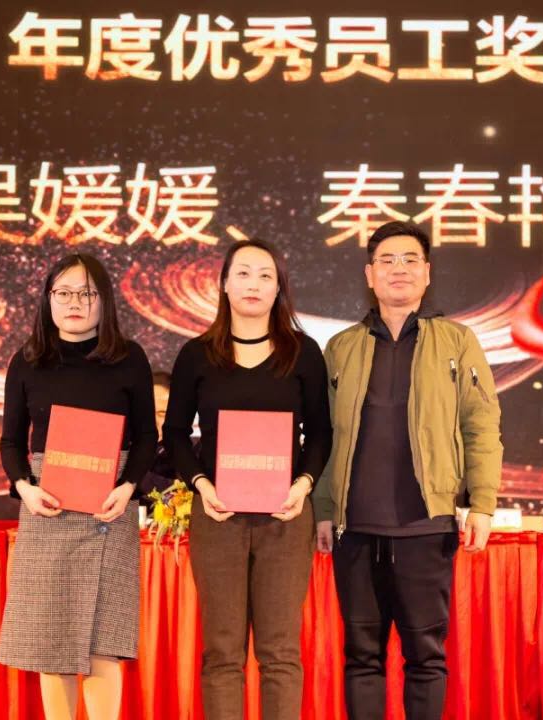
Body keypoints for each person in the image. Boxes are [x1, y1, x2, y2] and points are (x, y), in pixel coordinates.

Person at [313, 220, 503, 720]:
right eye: (387, 260)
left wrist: (482, 504)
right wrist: (323, 508)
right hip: (355, 527)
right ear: (369, 275)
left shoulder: (457, 342)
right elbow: (323, 435)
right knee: (362, 659)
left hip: (426, 524)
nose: (399, 269)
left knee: (426, 657)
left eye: (410, 259)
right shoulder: (342, 347)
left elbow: (482, 425)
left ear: (427, 273)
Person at [164, 238, 332, 720]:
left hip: (286, 517)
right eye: (242, 273)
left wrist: (303, 485)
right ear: (223, 284)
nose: (253, 284)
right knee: (222, 652)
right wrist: (202, 485)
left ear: (279, 288)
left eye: (265, 275)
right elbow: (175, 433)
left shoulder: (303, 352)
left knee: (280, 652)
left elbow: (321, 432)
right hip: (218, 517)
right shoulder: (197, 354)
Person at [0, 253, 157, 720]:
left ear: (104, 301)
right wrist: (25, 487)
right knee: (52, 639)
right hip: (48, 505)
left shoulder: (129, 358)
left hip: (110, 505)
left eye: (86, 293)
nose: (74, 303)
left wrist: (128, 487)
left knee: (105, 641)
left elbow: (147, 437)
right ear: (48, 299)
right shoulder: (27, 360)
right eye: (63, 292)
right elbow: (11, 441)